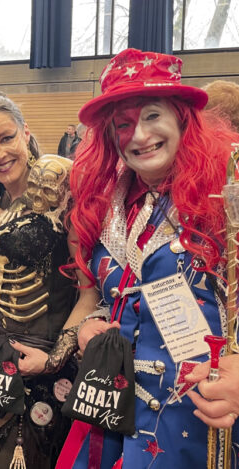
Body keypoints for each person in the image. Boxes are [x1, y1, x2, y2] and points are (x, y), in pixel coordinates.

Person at [56, 49, 239, 469]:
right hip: (111, 419)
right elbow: (112, 297)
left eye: (152, 115)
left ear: (182, 118)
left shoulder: (227, 193)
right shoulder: (107, 203)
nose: (139, 135)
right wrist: (89, 327)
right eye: (123, 124)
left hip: (195, 424)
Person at [0, 93, 80, 469]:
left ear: (25, 132)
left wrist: (54, 358)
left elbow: (90, 291)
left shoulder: (64, 194)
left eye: (6, 138)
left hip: (39, 365)